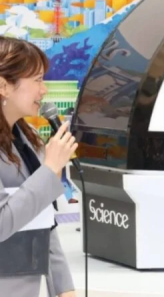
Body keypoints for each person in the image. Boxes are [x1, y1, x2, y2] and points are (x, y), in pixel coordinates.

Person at [0, 36, 77, 297]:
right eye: (37, 80)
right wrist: (49, 170)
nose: (43, 90)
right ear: (4, 86)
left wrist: (64, 288)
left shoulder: (29, 138)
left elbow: (45, 221)